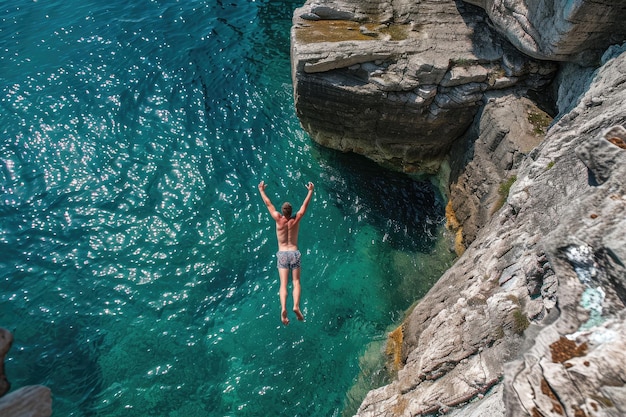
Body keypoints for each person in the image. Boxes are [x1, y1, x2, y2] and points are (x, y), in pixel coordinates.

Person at [258, 180, 314, 325]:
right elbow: (304, 207)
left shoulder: (278, 219)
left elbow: (268, 204)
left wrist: (262, 190)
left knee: (283, 285)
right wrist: (310, 191)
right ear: (291, 211)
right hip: (294, 253)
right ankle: (296, 306)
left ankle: (283, 309)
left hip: (282, 254)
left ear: (282, 212)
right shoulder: (296, 219)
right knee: (296, 282)